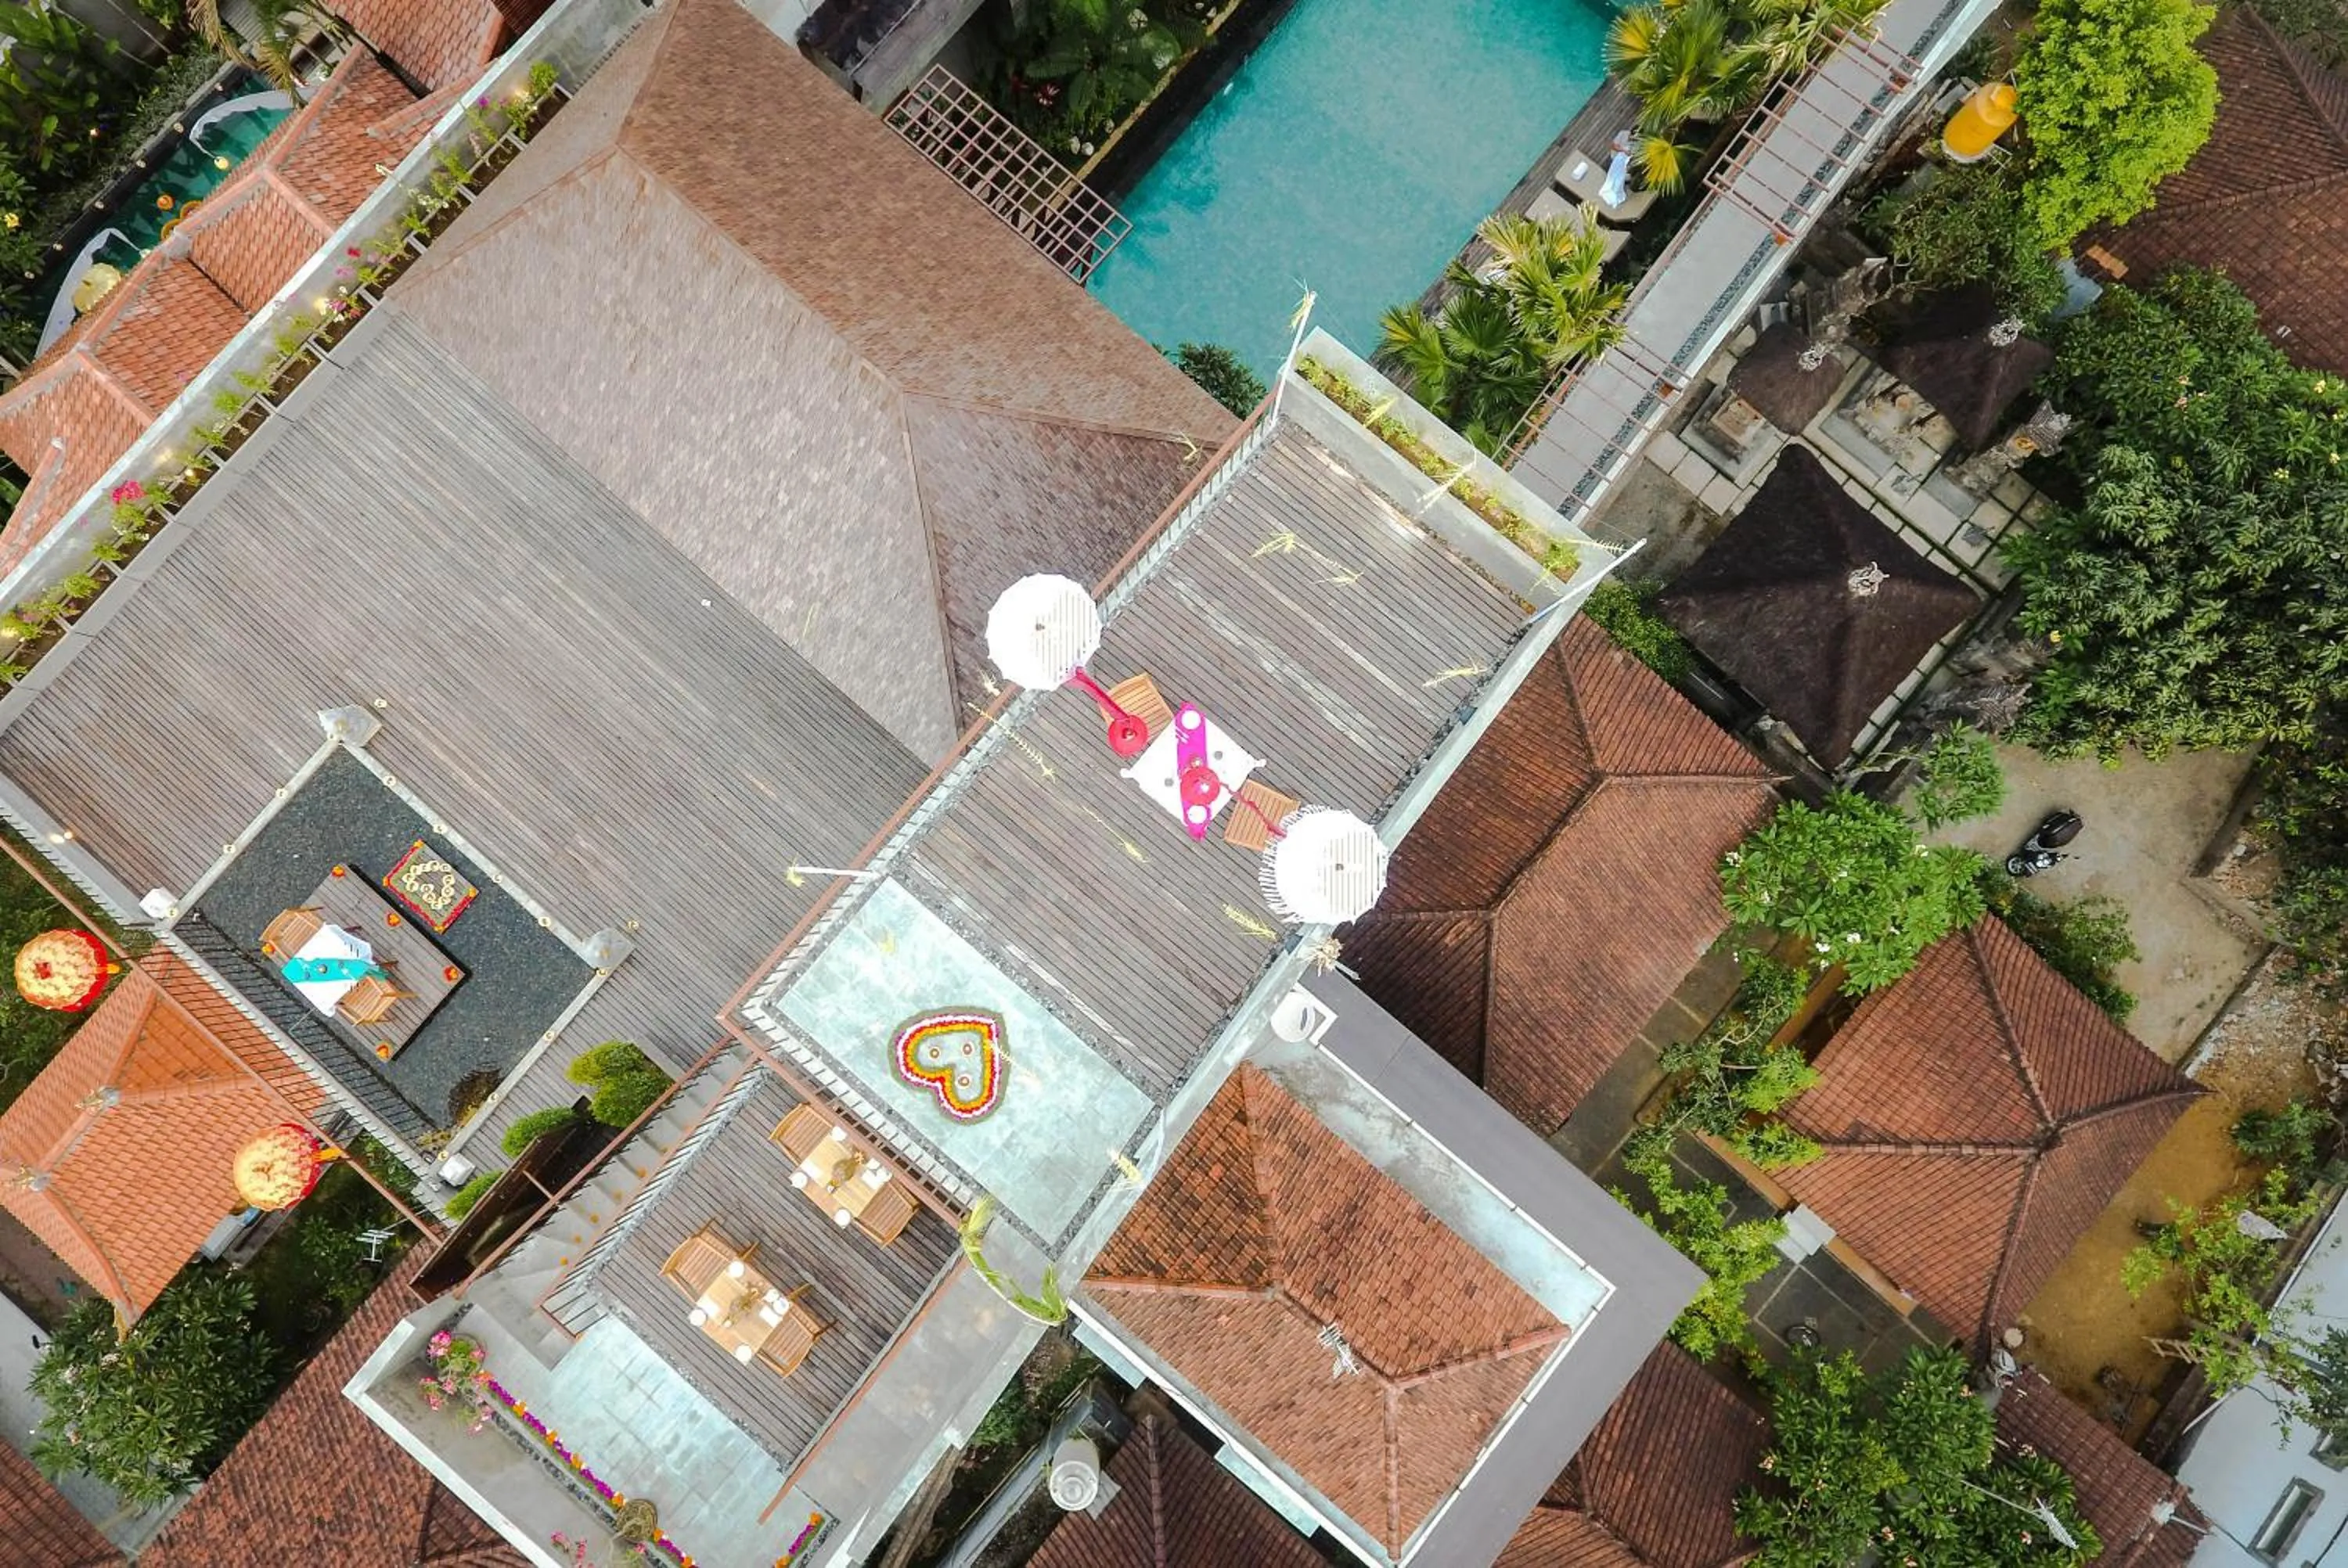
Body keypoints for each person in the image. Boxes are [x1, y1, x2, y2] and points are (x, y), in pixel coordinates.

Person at [1599, 127, 1635, 210]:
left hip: (1625, 164)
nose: (1632, 139)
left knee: (1621, 180)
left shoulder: (1637, 143)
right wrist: (1623, 150)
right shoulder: (1623, 134)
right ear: (1630, 133)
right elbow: (1613, 145)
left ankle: (1618, 192)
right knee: (1611, 178)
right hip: (1614, 159)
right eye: (1631, 137)